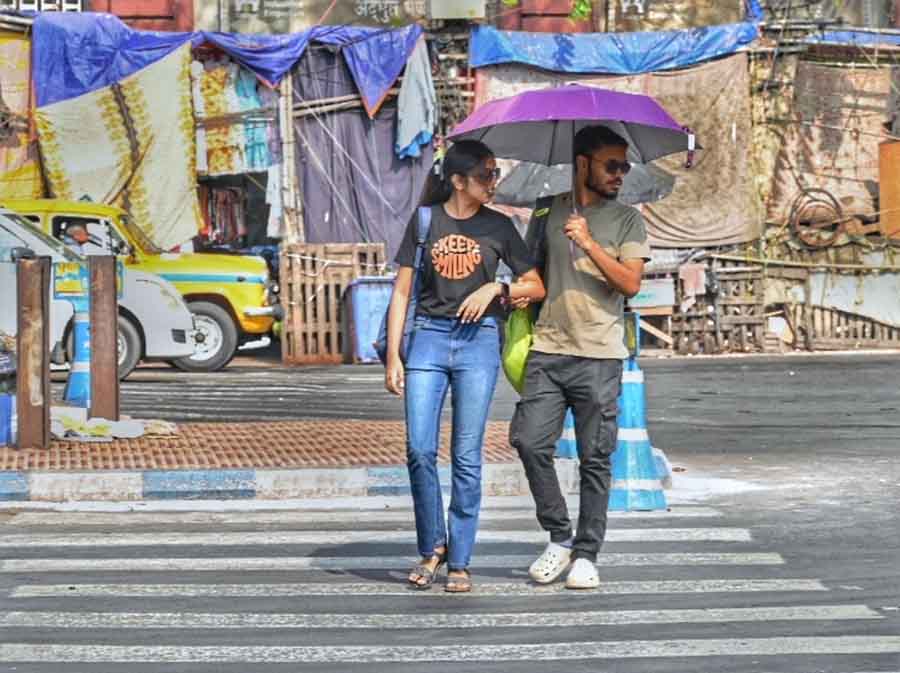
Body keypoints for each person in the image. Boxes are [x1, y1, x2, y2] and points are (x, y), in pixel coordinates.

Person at [385, 140, 545, 593]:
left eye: (495, 173)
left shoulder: (500, 226)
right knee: (419, 449)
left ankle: (460, 559)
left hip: (480, 342)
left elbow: (535, 285)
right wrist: (393, 355)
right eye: (486, 175)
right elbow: (401, 292)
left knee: (467, 455)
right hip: (429, 340)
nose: (494, 182)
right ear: (458, 181)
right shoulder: (425, 222)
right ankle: (432, 546)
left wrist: (497, 289)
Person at [509, 126, 651, 590]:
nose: (620, 174)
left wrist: (589, 244)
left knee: (595, 458)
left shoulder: (628, 221)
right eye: (612, 165)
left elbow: (630, 284)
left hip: (600, 355)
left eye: (624, 166)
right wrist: (512, 292)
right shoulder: (547, 209)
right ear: (583, 164)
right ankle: (559, 536)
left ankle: (587, 553)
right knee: (529, 442)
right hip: (548, 349)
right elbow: (531, 272)